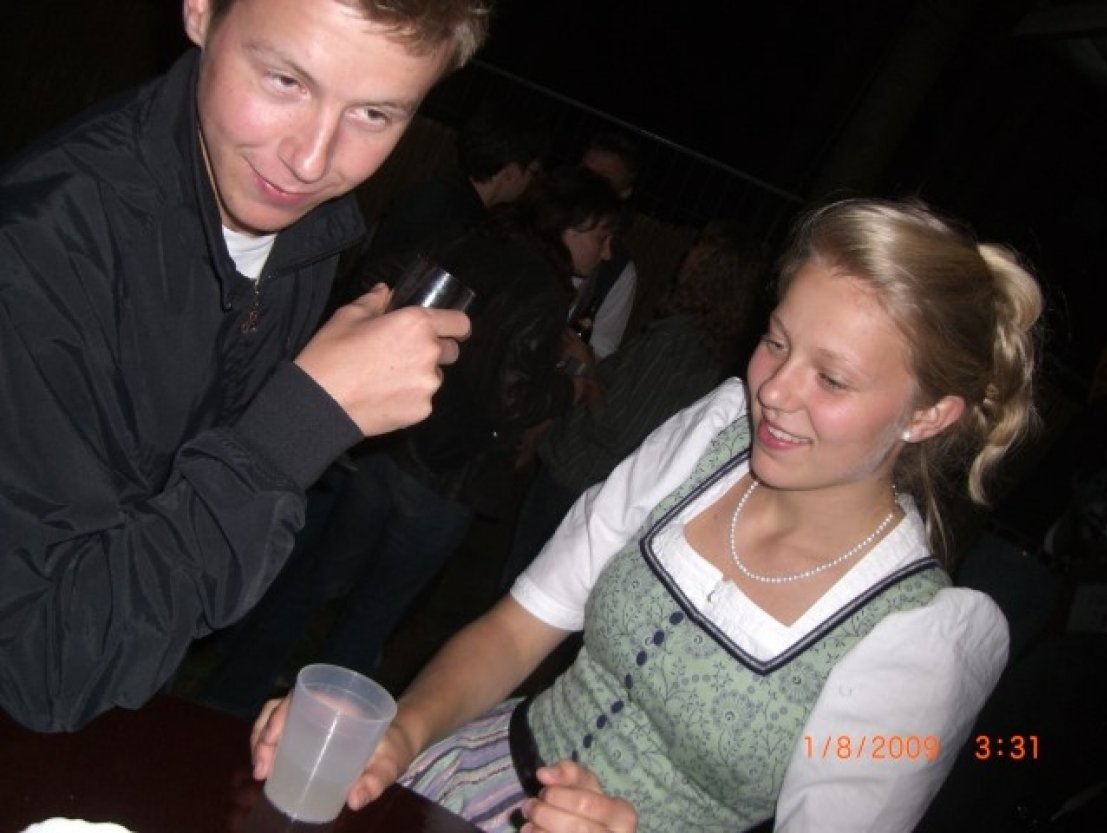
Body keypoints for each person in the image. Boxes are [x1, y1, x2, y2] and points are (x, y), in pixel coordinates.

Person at [251, 197, 1043, 832]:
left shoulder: (922, 638)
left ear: (930, 415)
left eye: (831, 379)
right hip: (466, 777)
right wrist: (401, 732)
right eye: (776, 343)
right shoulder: (713, 433)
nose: (774, 390)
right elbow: (519, 628)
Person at [0, 0, 490, 733]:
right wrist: (301, 423)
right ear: (201, 11)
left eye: (373, 114)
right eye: (285, 81)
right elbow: (38, 666)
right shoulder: (37, 255)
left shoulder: (302, 232)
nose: (312, 160)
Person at [199, 166, 620, 716]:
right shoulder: (542, 287)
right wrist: (569, 386)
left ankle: (225, 699)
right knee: (372, 613)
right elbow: (512, 398)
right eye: (601, 235)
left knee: (316, 578)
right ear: (570, 224)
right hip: (447, 477)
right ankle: (316, 732)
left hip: (394, 441)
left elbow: (394, 285)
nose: (607, 252)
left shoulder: (481, 240)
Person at [500, 219, 767, 591]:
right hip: (598, 488)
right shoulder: (709, 344)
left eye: (699, 250)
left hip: (580, 482)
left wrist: (586, 368)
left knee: (524, 589)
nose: (687, 255)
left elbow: (619, 428)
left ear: (715, 270)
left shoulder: (677, 342)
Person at [364, 99, 549, 264]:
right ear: (511, 172)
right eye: (533, 172)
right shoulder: (454, 218)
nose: (533, 182)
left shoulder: (447, 197)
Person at [570, 132, 642, 359]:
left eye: (602, 181)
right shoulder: (533, 223)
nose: (588, 187)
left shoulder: (617, 269)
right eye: (584, 174)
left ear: (624, 192)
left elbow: (600, 351)